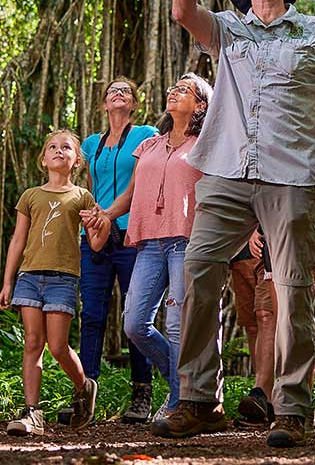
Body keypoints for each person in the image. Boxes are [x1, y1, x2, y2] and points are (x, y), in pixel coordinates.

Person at [154, 0, 315, 449]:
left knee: (292, 291)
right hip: (225, 169)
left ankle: (291, 408)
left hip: (291, 174)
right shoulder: (227, 29)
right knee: (200, 271)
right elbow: (182, 10)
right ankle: (199, 400)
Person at [86, 73, 212, 419]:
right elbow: (130, 195)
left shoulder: (206, 144)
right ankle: (188, 389)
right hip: (150, 243)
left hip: (187, 241)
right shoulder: (150, 144)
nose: (174, 92)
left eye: (184, 90)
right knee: (135, 323)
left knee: (176, 323)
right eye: (174, 88)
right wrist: (106, 216)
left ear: (200, 105)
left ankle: (179, 404)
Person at [0, 130, 111, 436]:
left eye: (66, 148)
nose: (58, 151)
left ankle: (84, 386)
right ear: (43, 159)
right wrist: (8, 281)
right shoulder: (30, 196)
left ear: (76, 161)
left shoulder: (82, 196)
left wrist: (98, 224)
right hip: (30, 276)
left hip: (63, 278)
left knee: (58, 346)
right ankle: (33, 413)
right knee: (33, 343)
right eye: (52, 147)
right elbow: (18, 239)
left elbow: (97, 244)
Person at [234, 143, 315, 427]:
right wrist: (253, 232)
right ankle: (268, 402)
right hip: (272, 242)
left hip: (309, 242)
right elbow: (258, 199)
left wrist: (313, 229)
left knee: (296, 318)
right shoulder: (272, 146)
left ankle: (301, 405)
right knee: (270, 316)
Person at [77, 77, 159, 423]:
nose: (118, 93)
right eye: (112, 91)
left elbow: (142, 183)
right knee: (92, 314)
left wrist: (108, 216)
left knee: (134, 317)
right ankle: (84, 392)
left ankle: (142, 393)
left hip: (130, 235)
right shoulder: (91, 144)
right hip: (96, 235)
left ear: (134, 103)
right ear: (103, 104)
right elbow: (84, 184)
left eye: (125, 90)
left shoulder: (145, 135)